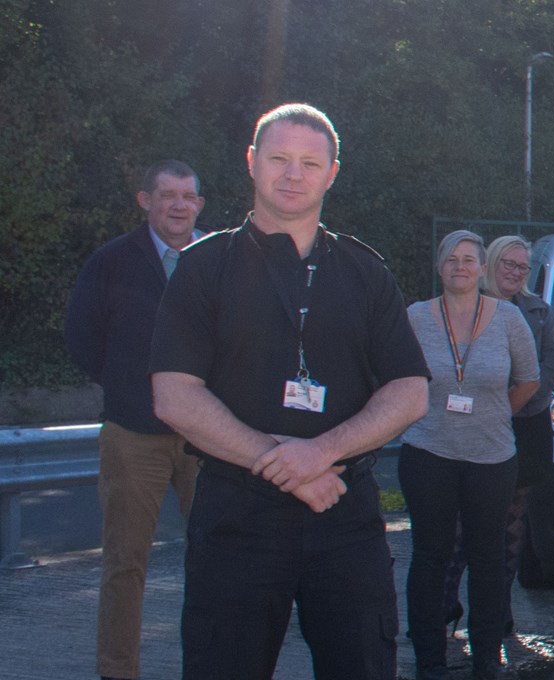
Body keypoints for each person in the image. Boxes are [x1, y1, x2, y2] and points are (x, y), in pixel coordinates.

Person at [151, 103, 431, 679]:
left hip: (344, 513)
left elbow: (409, 391)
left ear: (332, 172)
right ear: (253, 163)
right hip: (237, 515)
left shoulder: (365, 271)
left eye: (310, 162)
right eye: (278, 158)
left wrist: (321, 453)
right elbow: (174, 394)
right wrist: (282, 461)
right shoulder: (204, 268)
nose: (292, 173)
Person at [64, 159, 207, 680]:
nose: (178, 205)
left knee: (218, 560)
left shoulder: (221, 259)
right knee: (125, 563)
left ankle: (215, 663)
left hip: (209, 437)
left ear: (199, 205)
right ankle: (117, 671)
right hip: (133, 434)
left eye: (188, 196)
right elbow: (81, 337)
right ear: (145, 201)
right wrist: (129, 388)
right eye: (167, 195)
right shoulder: (112, 262)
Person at [400, 229, 540, 680]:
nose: (460, 266)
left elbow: (529, 379)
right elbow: (397, 380)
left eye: (468, 260)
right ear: (440, 268)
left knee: (488, 559)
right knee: (429, 557)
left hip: (492, 458)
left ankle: (486, 659)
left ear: (482, 269)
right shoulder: (416, 317)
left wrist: (494, 416)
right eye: (451, 259)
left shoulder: (508, 320)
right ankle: (430, 660)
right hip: (428, 452)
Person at [440, 234, 554, 649]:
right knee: (463, 523)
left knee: (512, 524)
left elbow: (552, 363)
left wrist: (524, 397)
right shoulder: (466, 306)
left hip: (525, 425)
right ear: (490, 264)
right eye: (507, 264)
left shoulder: (538, 311)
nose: (514, 272)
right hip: (470, 426)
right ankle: (444, 603)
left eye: (521, 267)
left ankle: (497, 611)